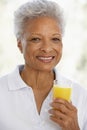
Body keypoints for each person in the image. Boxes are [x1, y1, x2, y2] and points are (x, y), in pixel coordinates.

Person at [0, 0, 87, 130]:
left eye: (55, 39)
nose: (47, 48)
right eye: (36, 39)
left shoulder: (80, 96)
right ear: (20, 44)